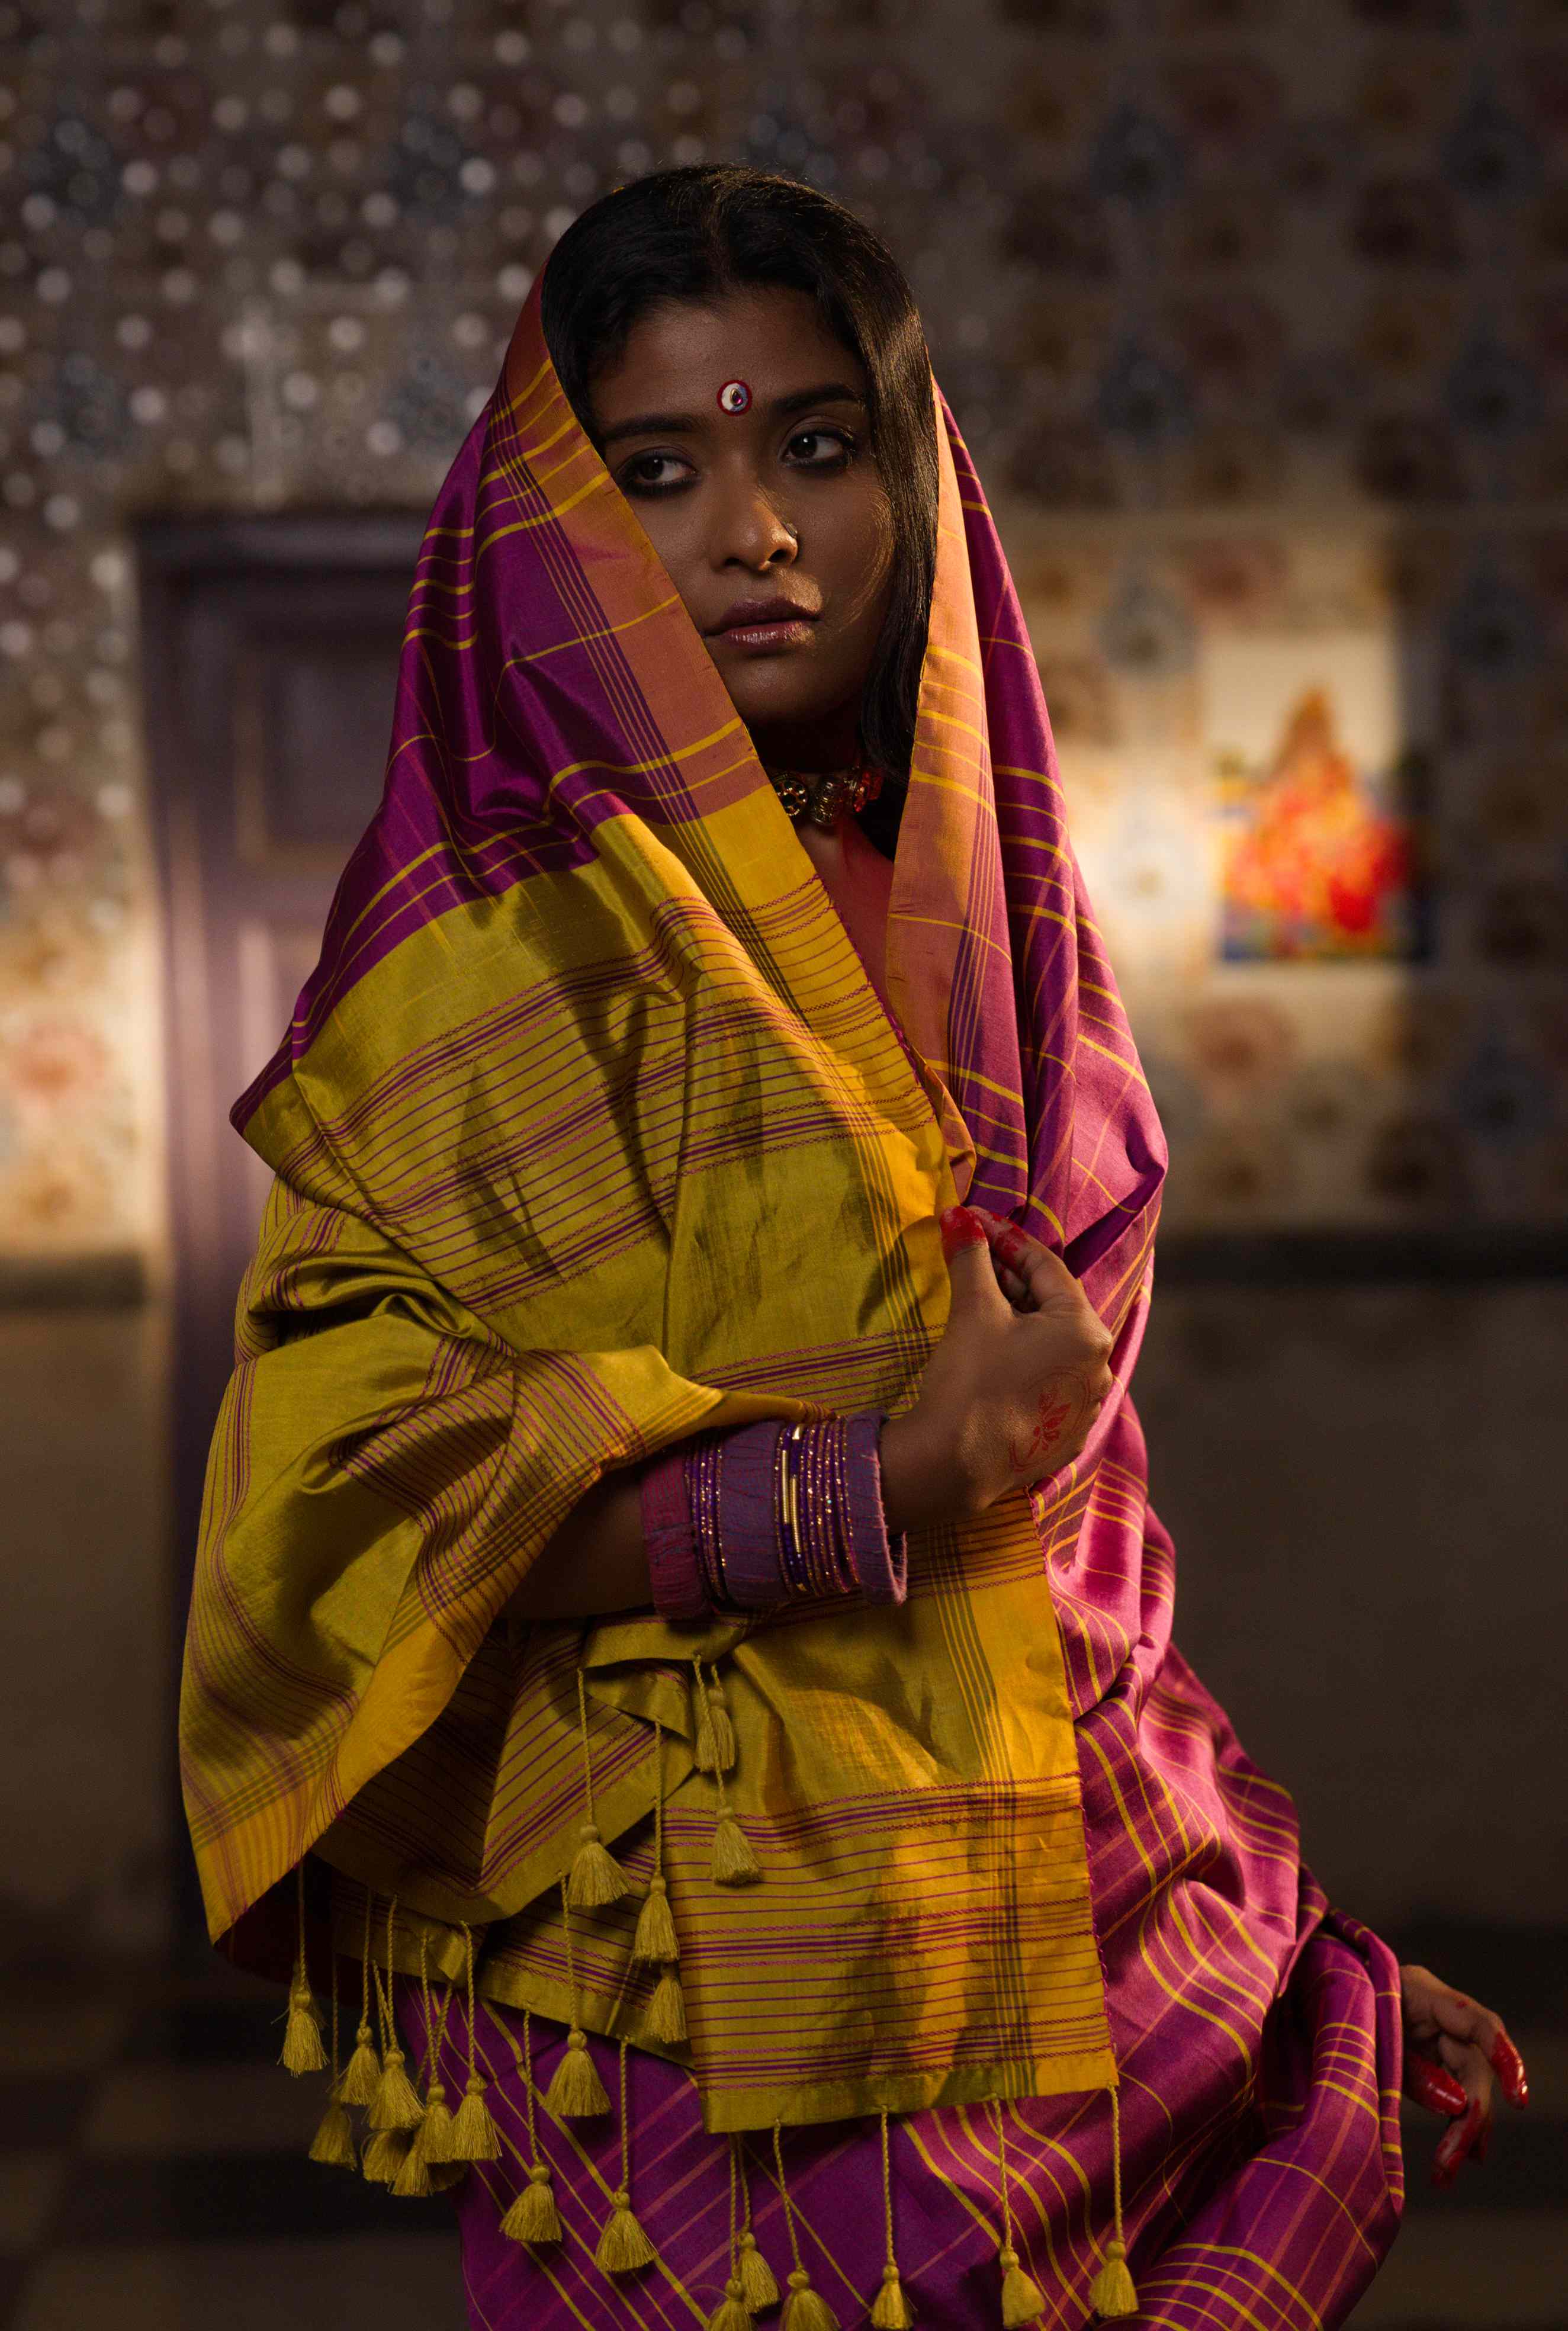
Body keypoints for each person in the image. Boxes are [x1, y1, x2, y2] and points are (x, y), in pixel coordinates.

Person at [179, 168, 1527, 2331]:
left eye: (814, 445)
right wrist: (877, 1482)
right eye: (661, 469)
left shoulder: (1008, 932)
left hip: (1043, 1937)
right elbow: (355, 1513)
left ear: (912, 481)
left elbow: (1071, 1550)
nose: (756, 530)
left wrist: (1269, 1953)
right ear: (554, 528)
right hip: (657, 1994)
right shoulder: (485, 971)